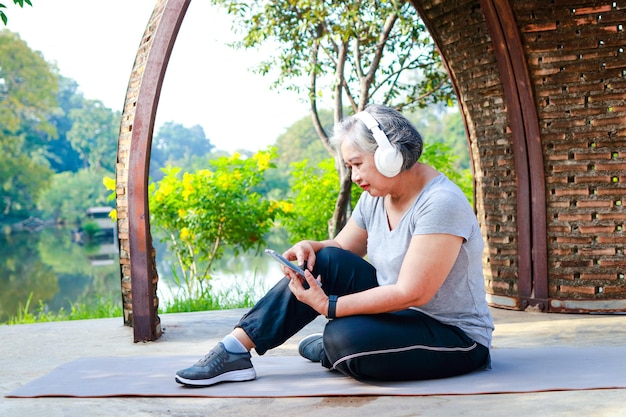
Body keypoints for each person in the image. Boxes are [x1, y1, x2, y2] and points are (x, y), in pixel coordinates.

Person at [175, 104, 494, 386]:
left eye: (357, 164)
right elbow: (342, 248)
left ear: (390, 157)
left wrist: (329, 307)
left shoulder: (440, 203)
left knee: (341, 338)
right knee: (323, 260)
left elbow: (413, 293)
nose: (354, 176)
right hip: (399, 316)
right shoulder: (377, 197)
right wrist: (312, 246)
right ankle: (234, 349)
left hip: (454, 336)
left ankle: (339, 347)